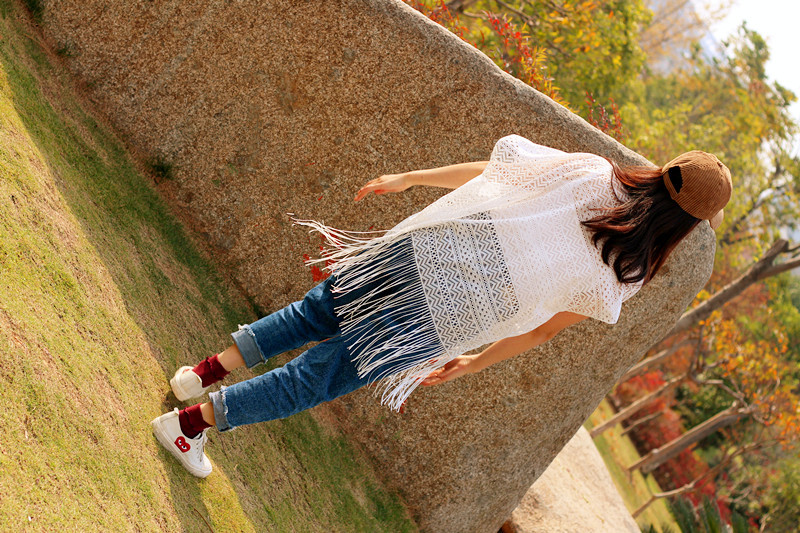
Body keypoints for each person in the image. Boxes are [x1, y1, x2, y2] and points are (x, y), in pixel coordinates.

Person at [151, 134, 732, 478]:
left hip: (426, 249)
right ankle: (187, 426)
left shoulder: (593, 171)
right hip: (448, 311)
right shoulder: (625, 273)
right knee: (320, 376)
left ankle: (198, 376)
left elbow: (499, 173)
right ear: (689, 226)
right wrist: (474, 361)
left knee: (314, 314)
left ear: (667, 168)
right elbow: (541, 333)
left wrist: (411, 178)